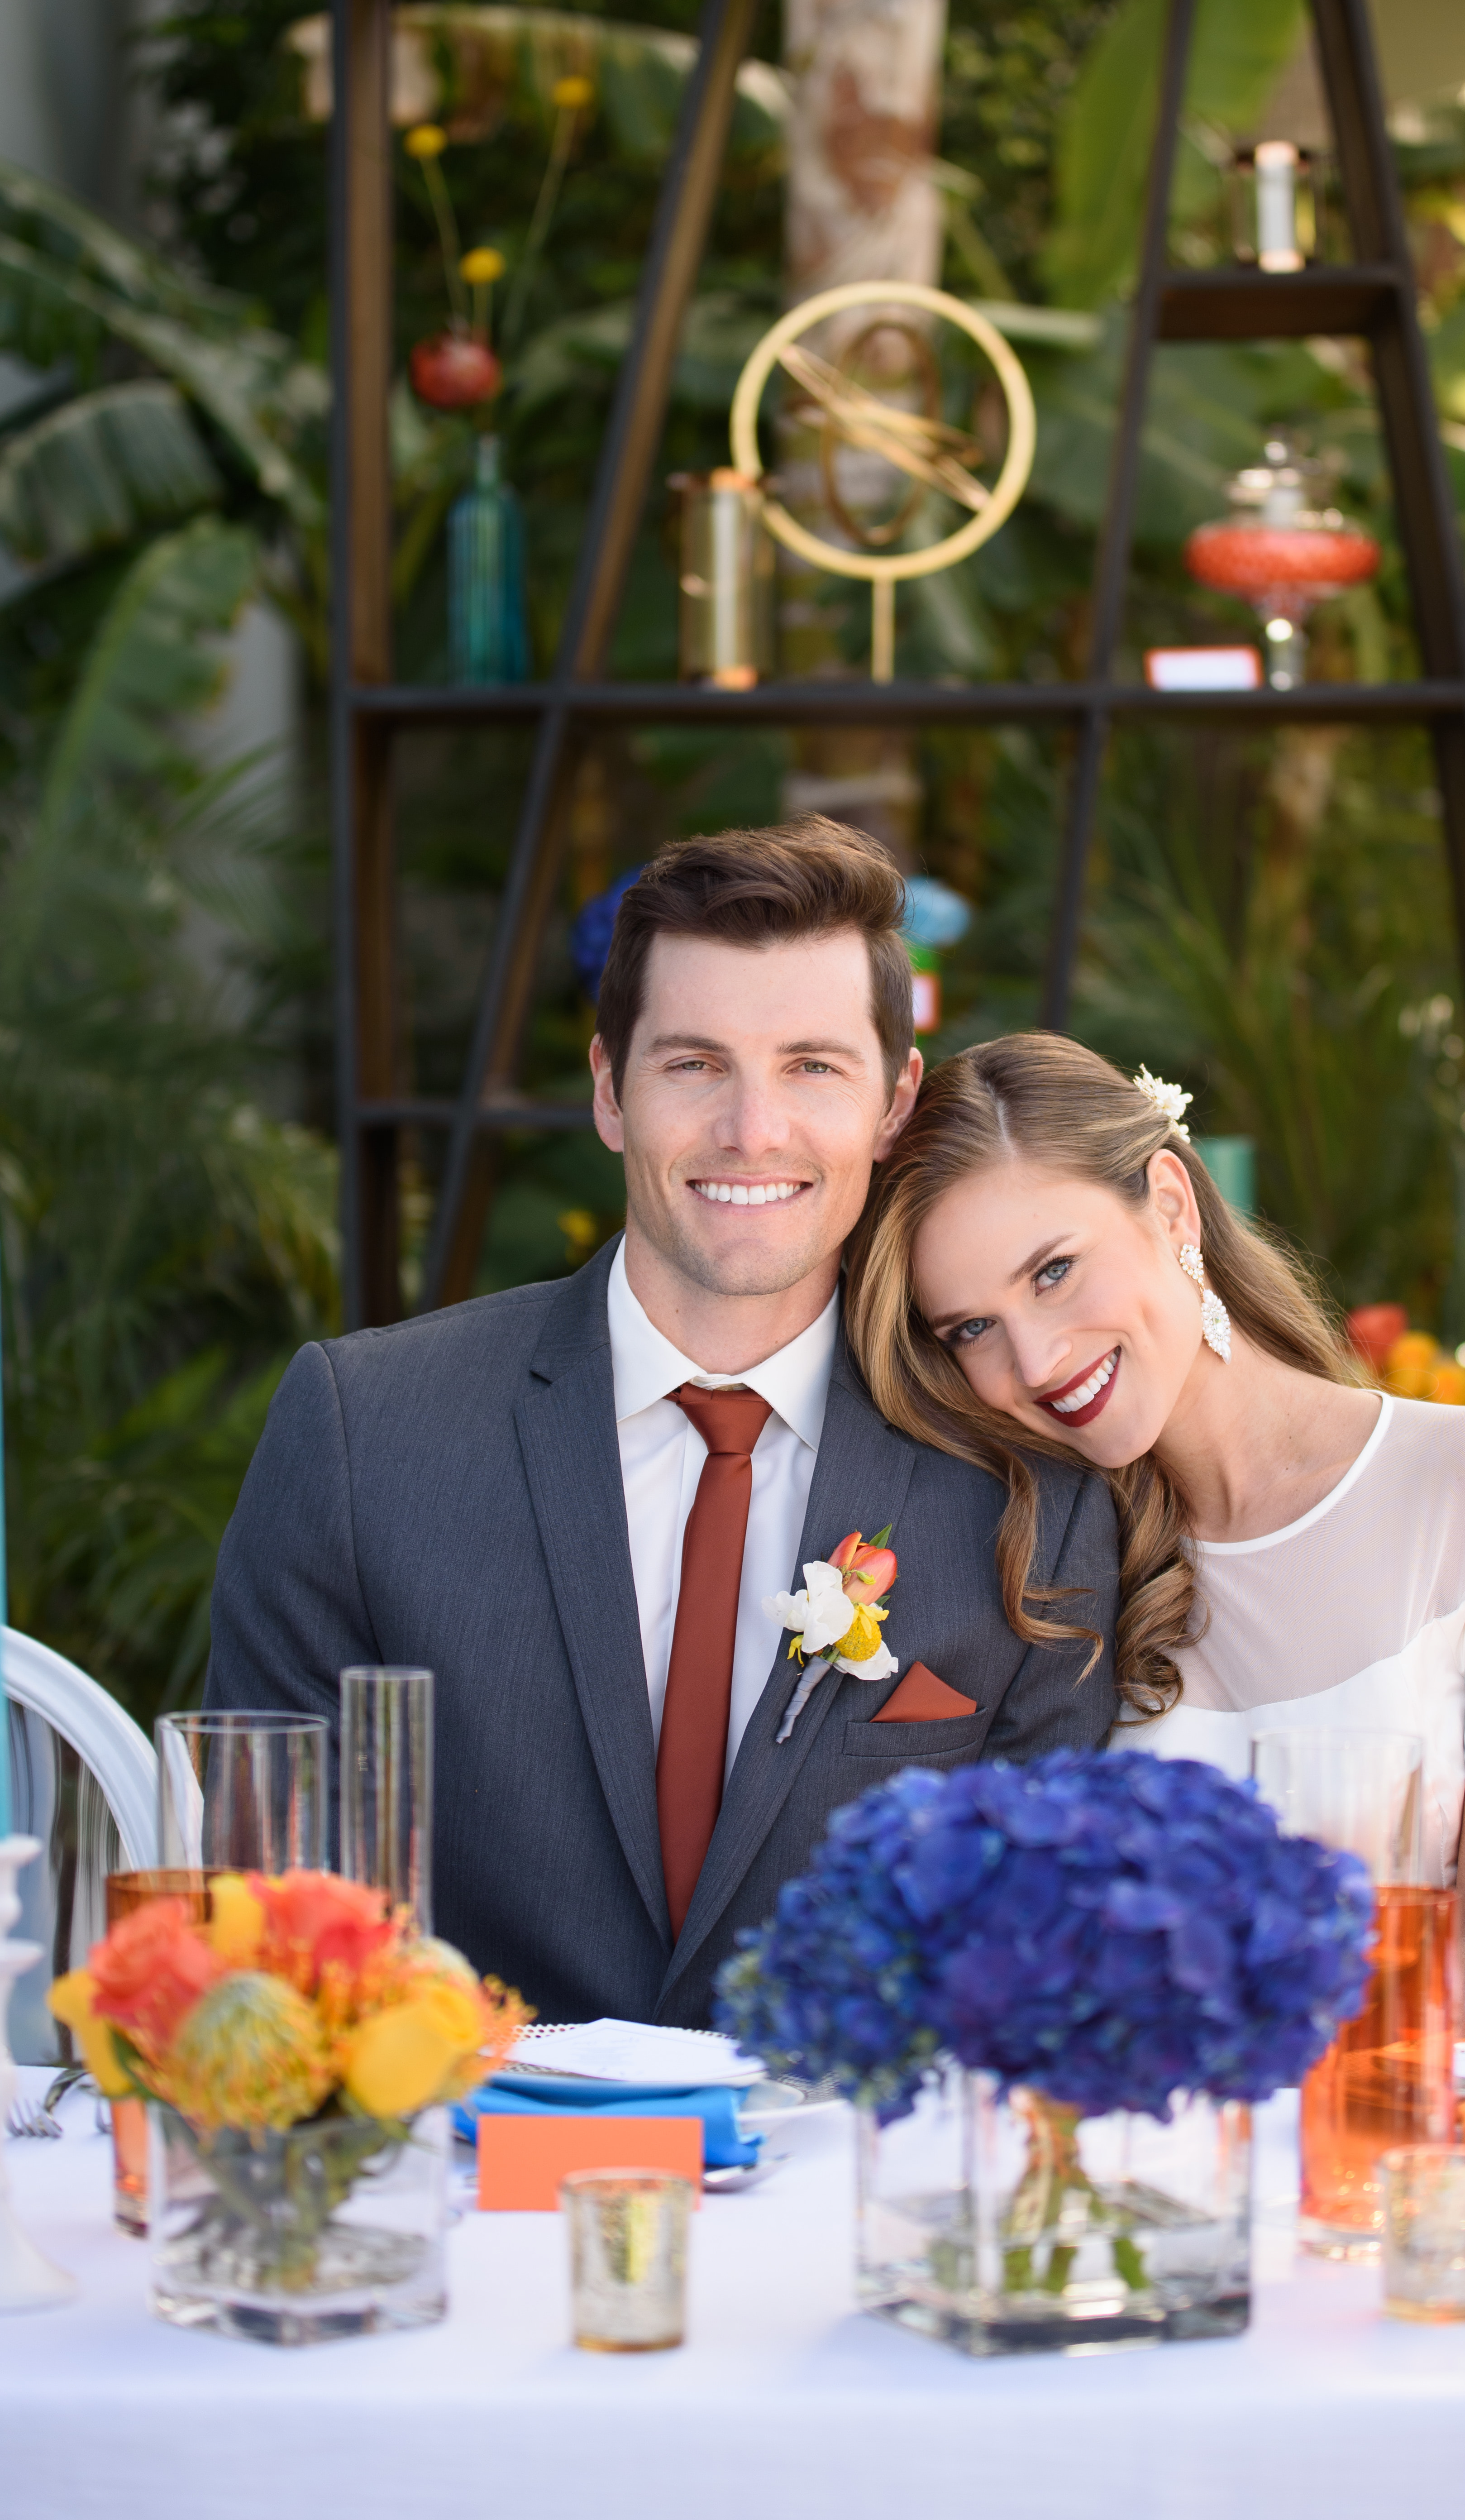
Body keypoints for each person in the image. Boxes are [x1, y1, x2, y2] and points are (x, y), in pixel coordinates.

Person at [206, 826, 1119, 2027]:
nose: (753, 1128)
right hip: (462, 2138)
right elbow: (260, 1924)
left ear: (895, 1103)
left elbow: (1037, 1966)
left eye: (812, 1067)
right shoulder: (361, 1432)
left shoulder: (1027, 1486)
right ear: (609, 1091)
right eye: (694, 1063)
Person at [845, 1031, 1465, 2002]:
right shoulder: (1041, 1561)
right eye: (972, 1328)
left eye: (1052, 1272)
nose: (1036, 1360)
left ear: (1170, 1204)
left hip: (1407, 2093)